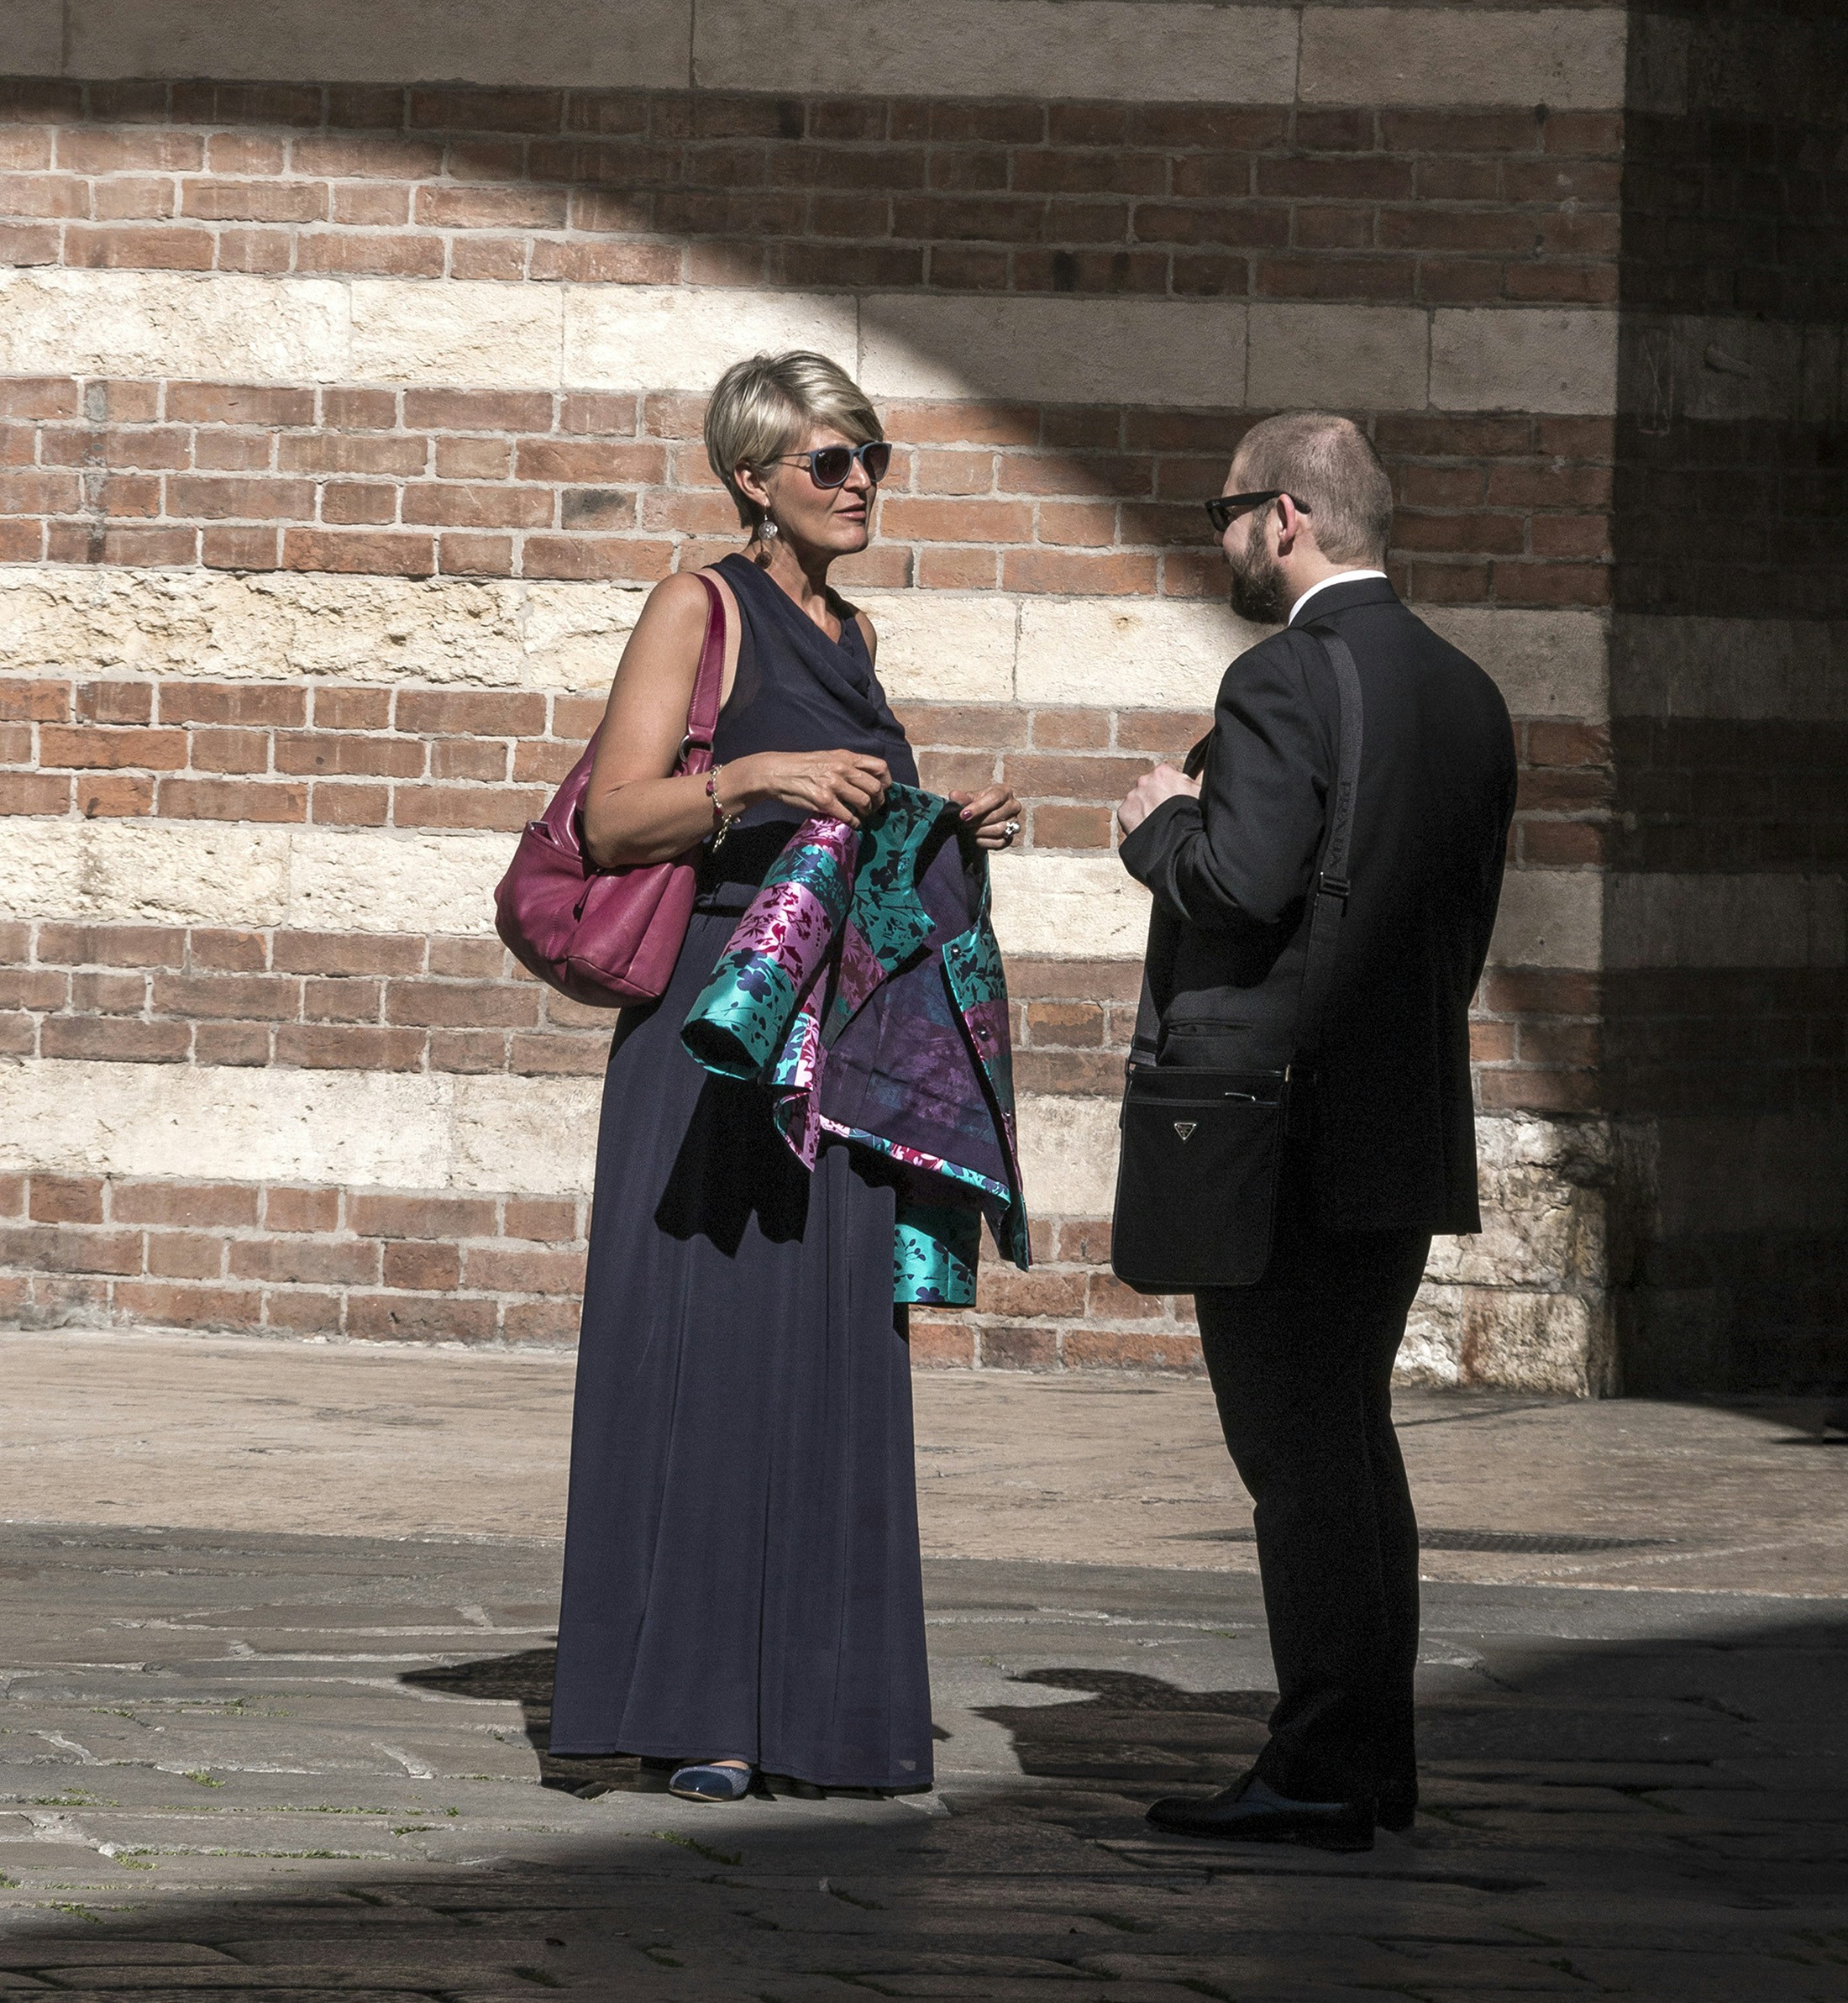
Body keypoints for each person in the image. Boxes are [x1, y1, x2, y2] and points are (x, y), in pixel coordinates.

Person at [546, 352, 1021, 1806]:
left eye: (873, 455)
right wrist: (763, 779)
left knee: (827, 1357)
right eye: (831, 461)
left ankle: (820, 1709)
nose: (861, 480)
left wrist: (943, 823)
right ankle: (700, 1711)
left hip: (843, 1048)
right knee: (706, 1352)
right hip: (716, 1035)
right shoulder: (699, 606)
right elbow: (618, 819)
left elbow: (854, 841)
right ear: (754, 478)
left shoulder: (855, 629)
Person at [1114, 411, 1516, 1852]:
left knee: (1299, 1456)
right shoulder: (1467, 690)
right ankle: (1366, 1760)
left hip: (1274, 1129)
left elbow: (1238, 879)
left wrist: (1160, 820)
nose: (1217, 538)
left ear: (1284, 517)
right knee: (1350, 1441)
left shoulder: (1283, 675)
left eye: (1224, 510)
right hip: (1399, 1118)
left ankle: (1321, 1767)